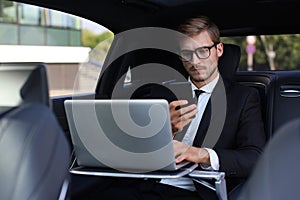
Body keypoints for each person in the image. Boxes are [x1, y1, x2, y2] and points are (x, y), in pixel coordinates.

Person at [73, 15, 266, 200]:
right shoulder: (162, 93)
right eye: (186, 53)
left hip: (195, 192)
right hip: (145, 185)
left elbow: (254, 157)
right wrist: (168, 130)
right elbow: (136, 150)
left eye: (202, 51)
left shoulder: (243, 98)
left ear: (219, 50)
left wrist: (198, 154)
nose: (195, 61)